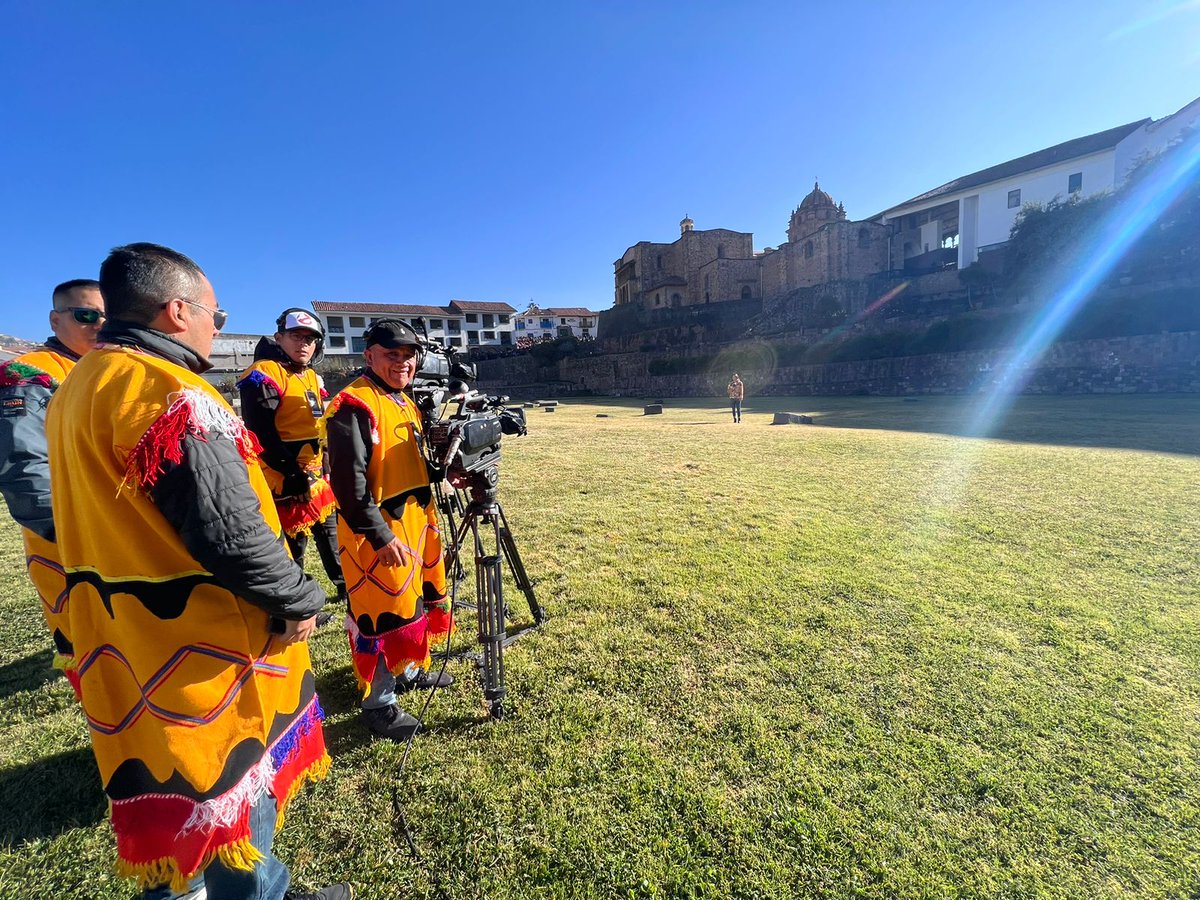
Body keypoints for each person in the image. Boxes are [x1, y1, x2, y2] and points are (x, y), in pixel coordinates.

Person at [46, 243, 349, 900]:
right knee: (230, 787)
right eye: (216, 313)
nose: (219, 325)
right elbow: (229, 531)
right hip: (199, 653)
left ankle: (238, 887)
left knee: (176, 796)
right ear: (178, 310)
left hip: (124, 638)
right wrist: (299, 596)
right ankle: (257, 892)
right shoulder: (167, 392)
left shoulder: (79, 385)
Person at [324, 319, 454, 741]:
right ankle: (379, 703)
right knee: (378, 616)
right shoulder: (353, 405)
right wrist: (381, 537)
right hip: (378, 534)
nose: (403, 363)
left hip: (415, 524)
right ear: (369, 356)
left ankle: (410, 670)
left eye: (408, 355)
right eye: (391, 355)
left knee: (412, 604)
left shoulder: (401, 399)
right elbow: (349, 485)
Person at [0, 279, 105, 672]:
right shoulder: (31, 373)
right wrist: (69, 535)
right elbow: (26, 468)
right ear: (56, 319)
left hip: (115, 531)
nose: (99, 323)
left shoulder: (104, 367)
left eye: (107, 315)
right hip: (72, 540)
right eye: (86, 314)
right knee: (94, 651)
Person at [237, 308, 345, 601]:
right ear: (279, 338)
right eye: (296, 336)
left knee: (330, 534)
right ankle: (293, 599)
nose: (304, 344)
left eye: (310, 338)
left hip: (314, 472)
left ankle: (344, 587)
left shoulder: (311, 376)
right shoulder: (264, 373)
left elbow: (317, 426)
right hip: (282, 475)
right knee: (293, 544)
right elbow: (260, 431)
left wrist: (324, 466)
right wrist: (291, 473)